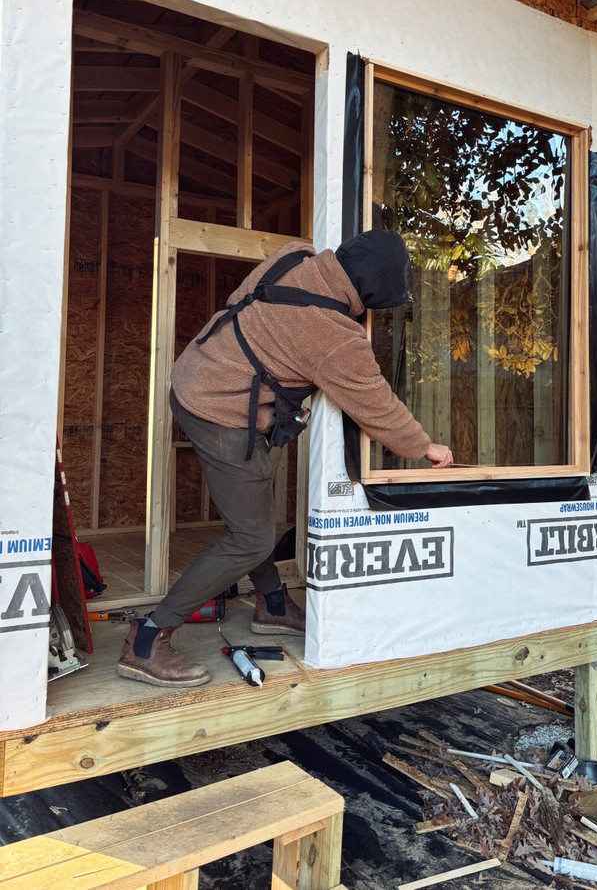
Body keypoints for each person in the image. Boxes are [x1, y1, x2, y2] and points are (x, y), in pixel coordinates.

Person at [118, 229, 453, 687]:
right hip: (216, 407)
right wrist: (423, 445)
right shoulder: (335, 337)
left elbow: (248, 310)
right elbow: (376, 405)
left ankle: (272, 605)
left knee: (252, 515)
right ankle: (147, 638)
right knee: (250, 539)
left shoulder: (295, 257)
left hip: (198, 371)